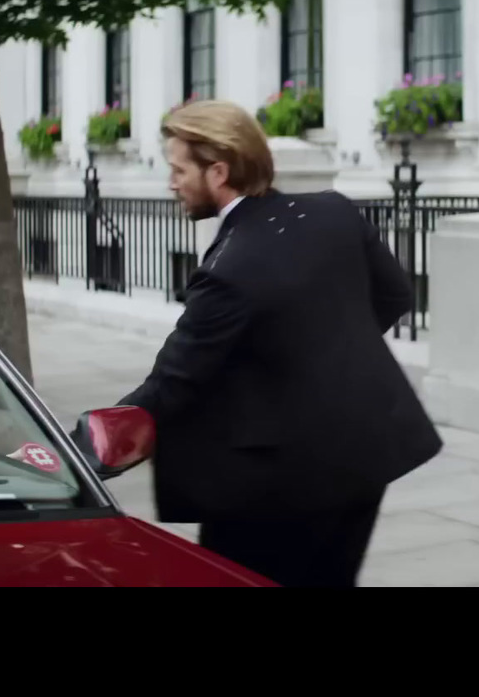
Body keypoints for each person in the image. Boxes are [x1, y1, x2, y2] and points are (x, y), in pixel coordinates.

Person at [110, 99, 442, 587]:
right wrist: (315, 357)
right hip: (363, 460)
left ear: (218, 172)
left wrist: (73, 452)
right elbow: (394, 295)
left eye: (179, 169)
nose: (172, 183)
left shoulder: (230, 270)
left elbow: (169, 386)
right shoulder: (333, 213)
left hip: (273, 488)